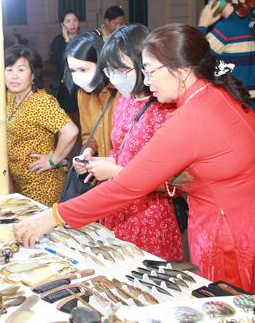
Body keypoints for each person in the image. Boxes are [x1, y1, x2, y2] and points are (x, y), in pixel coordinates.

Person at [14, 23, 255, 296]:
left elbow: (126, 186)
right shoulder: (218, 95)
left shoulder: (190, 118)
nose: (146, 81)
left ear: (182, 70)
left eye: (150, 71)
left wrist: (53, 216)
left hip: (229, 243)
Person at [76, 24, 183, 261]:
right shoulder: (125, 100)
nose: (115, 78)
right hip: (116, 208)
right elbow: (122, 152)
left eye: (122, 70)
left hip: (149, 218)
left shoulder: (165, 108)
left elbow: (175, 183)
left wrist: (115, 171)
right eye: (110, 71)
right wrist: (95, 162)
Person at [5, 45, 79, 207]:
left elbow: (70, 131)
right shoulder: (11, 96)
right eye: (9, 70)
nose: (14, 76)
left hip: (42, 187)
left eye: (21, 70)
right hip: (21, 185)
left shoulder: (41, 102)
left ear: (33, 74)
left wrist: (54, 159)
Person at [198, 0, 255, 128]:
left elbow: (194, 57)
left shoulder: (225, 29)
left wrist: (203, 25)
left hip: (237, 113)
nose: (209, 3)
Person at [64, 32, 119, 164]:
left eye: (83, 70)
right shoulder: (82, 94)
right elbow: (88, 136)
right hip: (99, 173)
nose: (77, 77)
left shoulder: (120, 91)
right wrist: (87, 153)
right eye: (72, 71)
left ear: (100, 63)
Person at [49, 8, 80, 115]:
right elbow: (60, 62)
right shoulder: (58, 41)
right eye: (68, 21)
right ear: (62, 25)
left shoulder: (83, 39)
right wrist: (67, 41)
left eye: (75, 20)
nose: (72, 24)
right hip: (64, 87)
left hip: (80, 85)